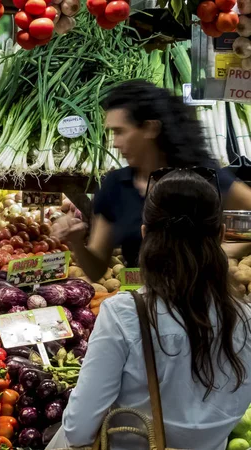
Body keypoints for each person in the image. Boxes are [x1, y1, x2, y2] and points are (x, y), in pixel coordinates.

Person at [49, 170, 251, 450]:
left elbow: (78, 431)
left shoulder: (124, 314)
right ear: (220, 234)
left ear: (145, 233)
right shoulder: (246, 320)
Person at [54, 81, 251, 281]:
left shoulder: (203, 177)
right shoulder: (115, 186)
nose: (115, 142)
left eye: (120, 131)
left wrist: (224, 253)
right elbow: (96, 270)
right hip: (142, 303)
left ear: (150, 128)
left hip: (199, 304)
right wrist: (77, 243)